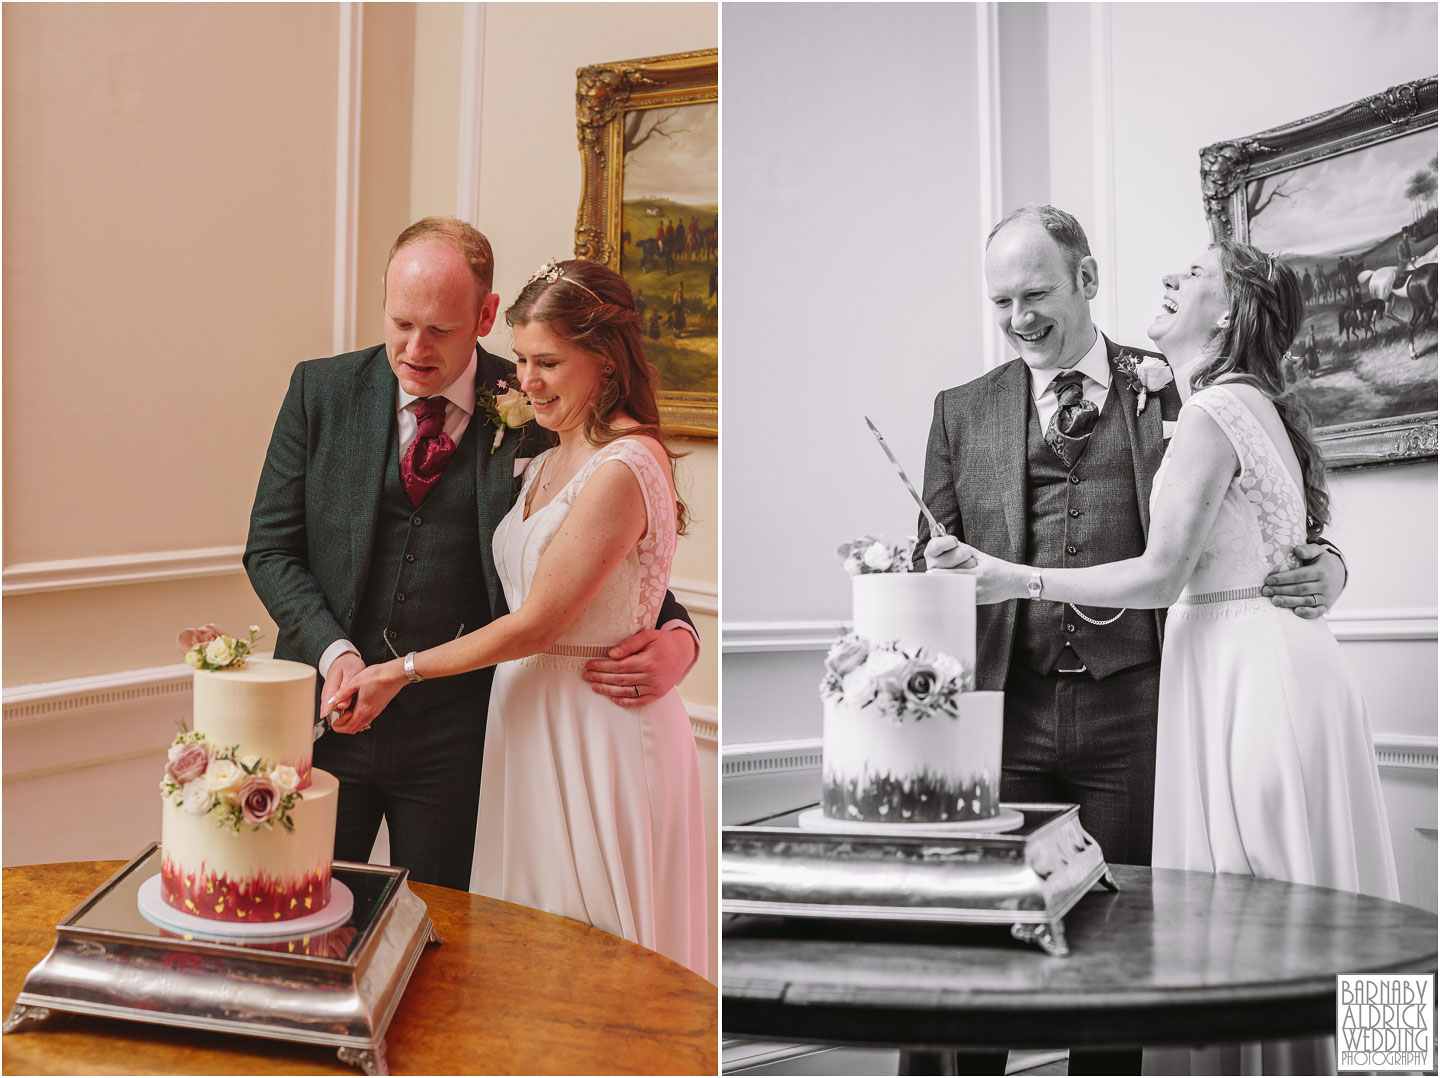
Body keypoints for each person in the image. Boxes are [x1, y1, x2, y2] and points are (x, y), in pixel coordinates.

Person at [931, 239, 1399, 1074]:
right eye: (1000, 301)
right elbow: (931, 555)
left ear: (1085, 281)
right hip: (1023, 709)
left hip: (1167, 701)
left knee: (1235, 915)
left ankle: (1345, 1063)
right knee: (1318, 888)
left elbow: (1207, 556)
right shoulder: (965, 409)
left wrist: (1330, 566)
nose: (1018, 318)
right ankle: (1385, 1056)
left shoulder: (1186, 389)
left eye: (1035, 292)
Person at [244, 218, 699, 896]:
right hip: (329, 721)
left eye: (441, 330)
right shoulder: (321, 392)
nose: (414, 349)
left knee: (444, 935)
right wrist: (337, 653)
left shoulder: (541, 400)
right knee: (300, 909)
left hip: (465, 736)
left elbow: (597, 551)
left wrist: (679, 636)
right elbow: (271, 551)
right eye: (400, 322)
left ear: (485, 315)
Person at [329, 258, 707, 976]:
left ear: (604, 359)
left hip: (590, 728)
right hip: (515, 729)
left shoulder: (614, 458)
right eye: (524, 359)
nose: (525, 380)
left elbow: (551, 614)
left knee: (594, 958)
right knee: (524, 958)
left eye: (547, 363)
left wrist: (681, 637)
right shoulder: (552, 442)